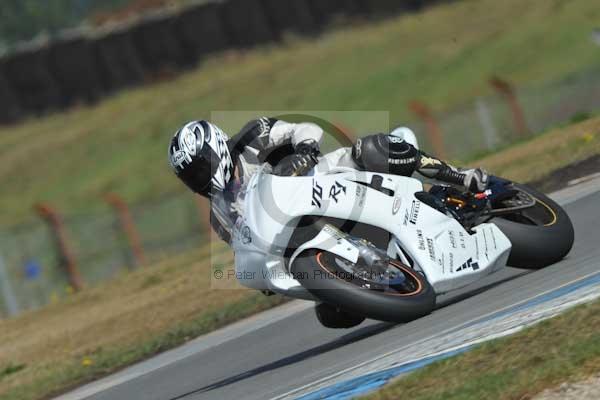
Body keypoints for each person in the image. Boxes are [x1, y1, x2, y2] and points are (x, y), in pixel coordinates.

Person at [167, 118, 488, 243]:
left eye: (200, 167)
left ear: (217, 148)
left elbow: (303, 128)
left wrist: (305, 151)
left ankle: (462, 178)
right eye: (191, 177)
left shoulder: (252, 138)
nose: (199, 179)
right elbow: (245, 249)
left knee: (371, 149)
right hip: (307, 237)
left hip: (327, 179)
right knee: (334, 315)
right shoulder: (219, 215)